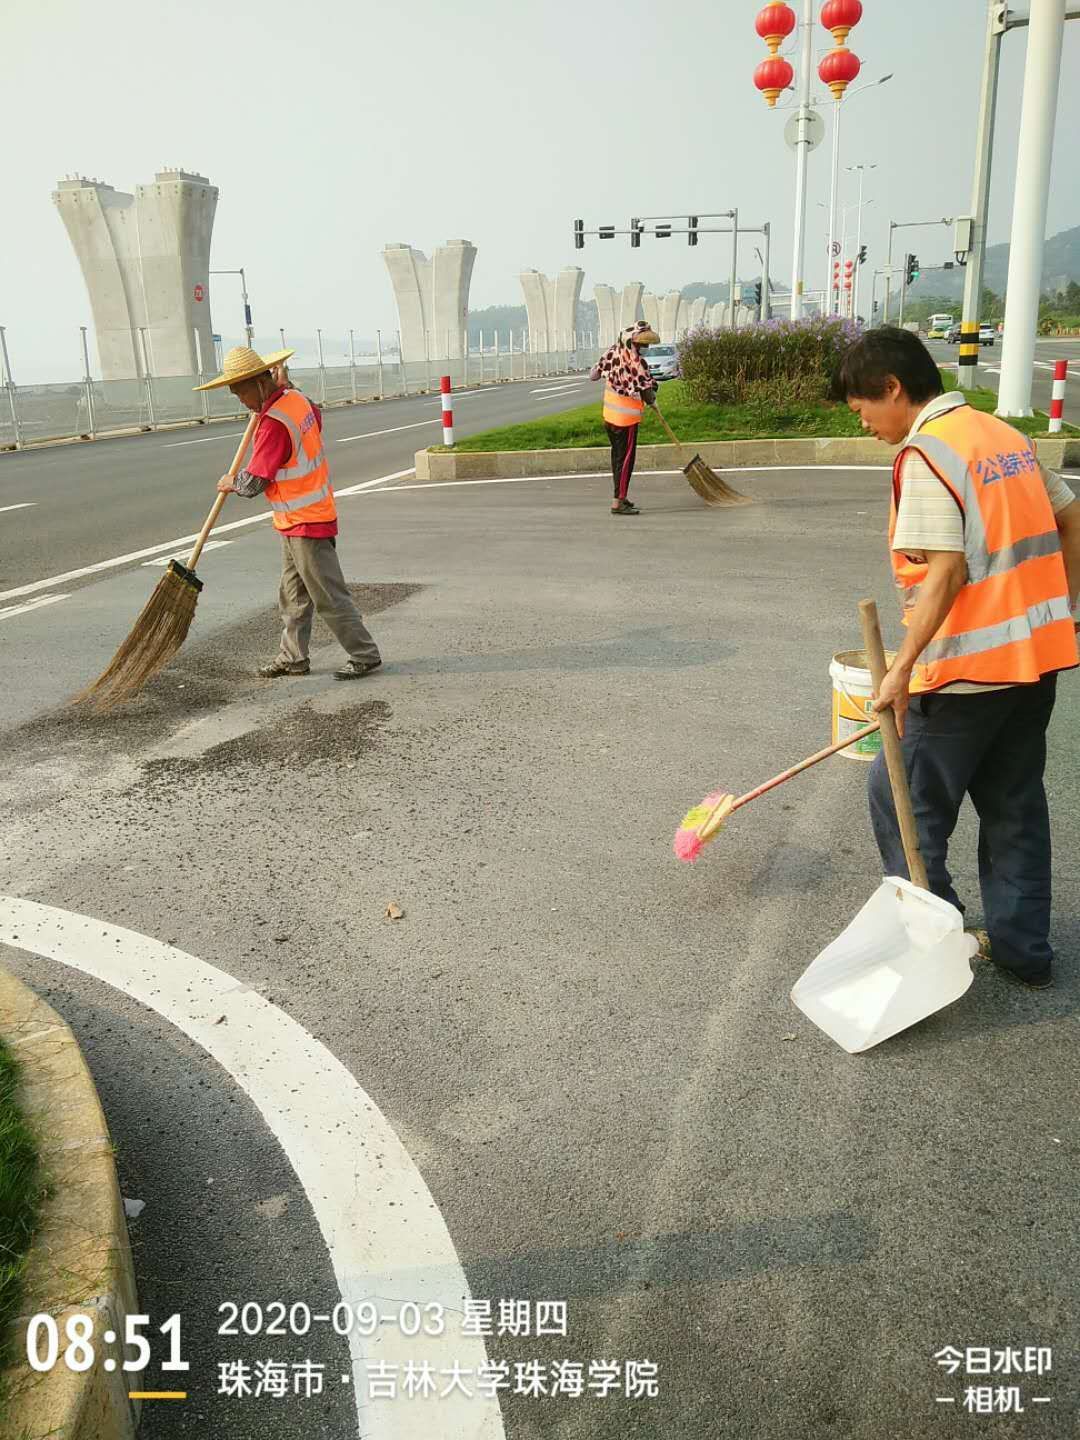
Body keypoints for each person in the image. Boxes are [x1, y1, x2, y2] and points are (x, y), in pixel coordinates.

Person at [841, 327, 1080, 989]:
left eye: (862, 408)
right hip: (1034, 666)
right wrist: (1068, 610)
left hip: (963, 677)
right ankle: (1024, 951)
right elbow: (1072, 519)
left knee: (902, 801)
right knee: (1013, 807)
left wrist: (899, 671)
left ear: (893, 388)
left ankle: (936, 949)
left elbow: (945, 572)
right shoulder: (1003, 436)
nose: (863, 423)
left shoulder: (928, 455)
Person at [195, 346, 382, 680]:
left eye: (241, 393)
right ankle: (293, 657)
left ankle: (364, 653)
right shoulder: (295, 399)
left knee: (328, 596)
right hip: (295, 521)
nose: (241, 401)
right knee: (292, 595)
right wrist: (284, 387)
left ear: (259, 383)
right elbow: (316, 419)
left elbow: (254, 482)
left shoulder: (273, 424)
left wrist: (230, 482)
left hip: (307, 522)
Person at [589, 322, 660, 515]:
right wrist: (653, 400)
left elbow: (593, 375)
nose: (646, 348)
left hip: (609, 417)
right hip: (626, 420)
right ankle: (618, 501)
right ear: (633, 343)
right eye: (643, 345)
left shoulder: (612, 353)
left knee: (617, 458)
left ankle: (621, 496)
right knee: (626, 461)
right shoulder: (638, 364)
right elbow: (648, 395)